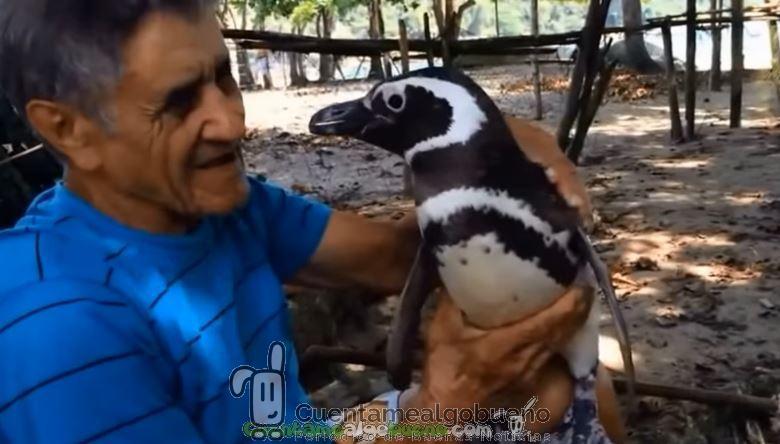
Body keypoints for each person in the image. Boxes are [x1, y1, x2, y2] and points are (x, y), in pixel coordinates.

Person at [0, 1, 603, 442]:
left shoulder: (227, 207)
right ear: (67, 129)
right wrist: (444, 407)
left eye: (224, 77)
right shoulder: (55, 325)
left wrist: (483, 147)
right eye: (181, 102)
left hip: (310, 436)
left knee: (568, 392)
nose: (232, 124)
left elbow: (398, 258)